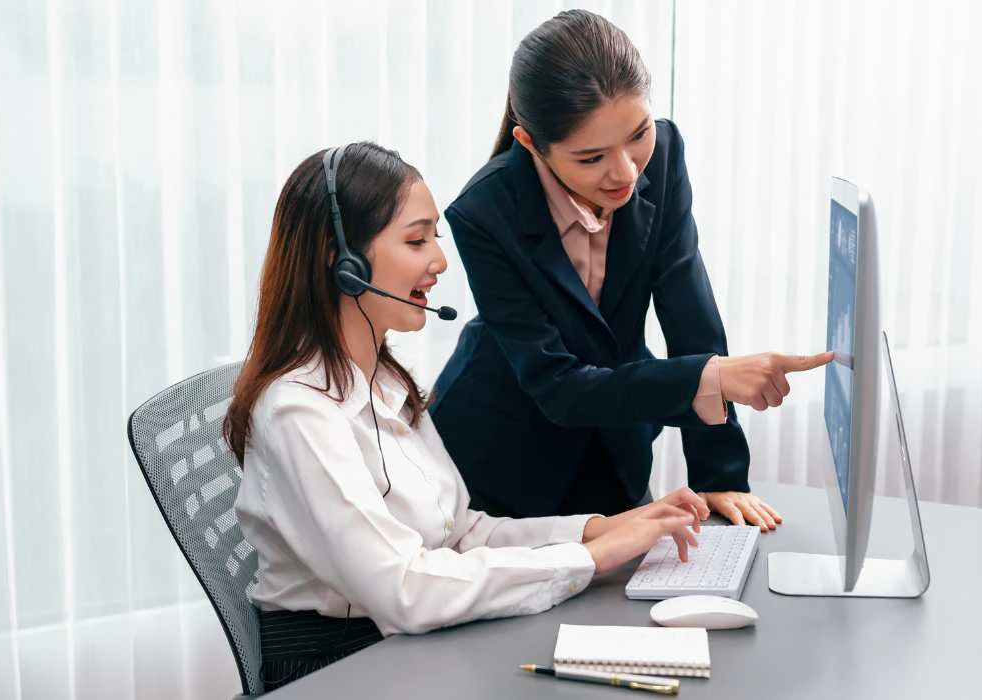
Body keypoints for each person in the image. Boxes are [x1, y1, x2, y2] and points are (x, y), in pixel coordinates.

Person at [227, 142, 710, 691]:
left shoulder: (385, 382)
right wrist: (590, 559)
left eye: (434, 237)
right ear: (343, 262)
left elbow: (464, 534)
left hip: (407, 643)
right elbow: (405, 589)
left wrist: (604, 528)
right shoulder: (299, 412)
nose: (439, 260)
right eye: (417, 240)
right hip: (340, 668)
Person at [430, 9, 832, 525]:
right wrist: (710, 378)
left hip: (615, 446)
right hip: (501, 461)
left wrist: (719, 474)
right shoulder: (484, 212)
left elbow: (690, 315)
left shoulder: (662, 157)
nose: (625, 172)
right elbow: (557, 385)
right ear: (530, 143)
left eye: (638, 134)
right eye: (591, 158)